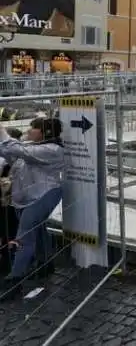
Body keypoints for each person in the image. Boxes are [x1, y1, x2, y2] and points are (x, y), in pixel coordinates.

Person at [0, 118, 66, 302]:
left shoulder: (52, 150)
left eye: (34, 128)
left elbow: (18, 151)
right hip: (29, 196)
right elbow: (11, 153)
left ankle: (14, 280)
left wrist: (3, 133)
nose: (29, 131)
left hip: (43, 195)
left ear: (46, 133)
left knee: (24, 235)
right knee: (37, 228)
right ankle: (46, 262)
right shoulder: (37, 146)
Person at [0, 128, 21, 277]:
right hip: (10, 202)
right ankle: (9, 259)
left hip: (7, 201)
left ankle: (8, 262)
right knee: (9, 231)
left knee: (7, 231)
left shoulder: (9, 158)